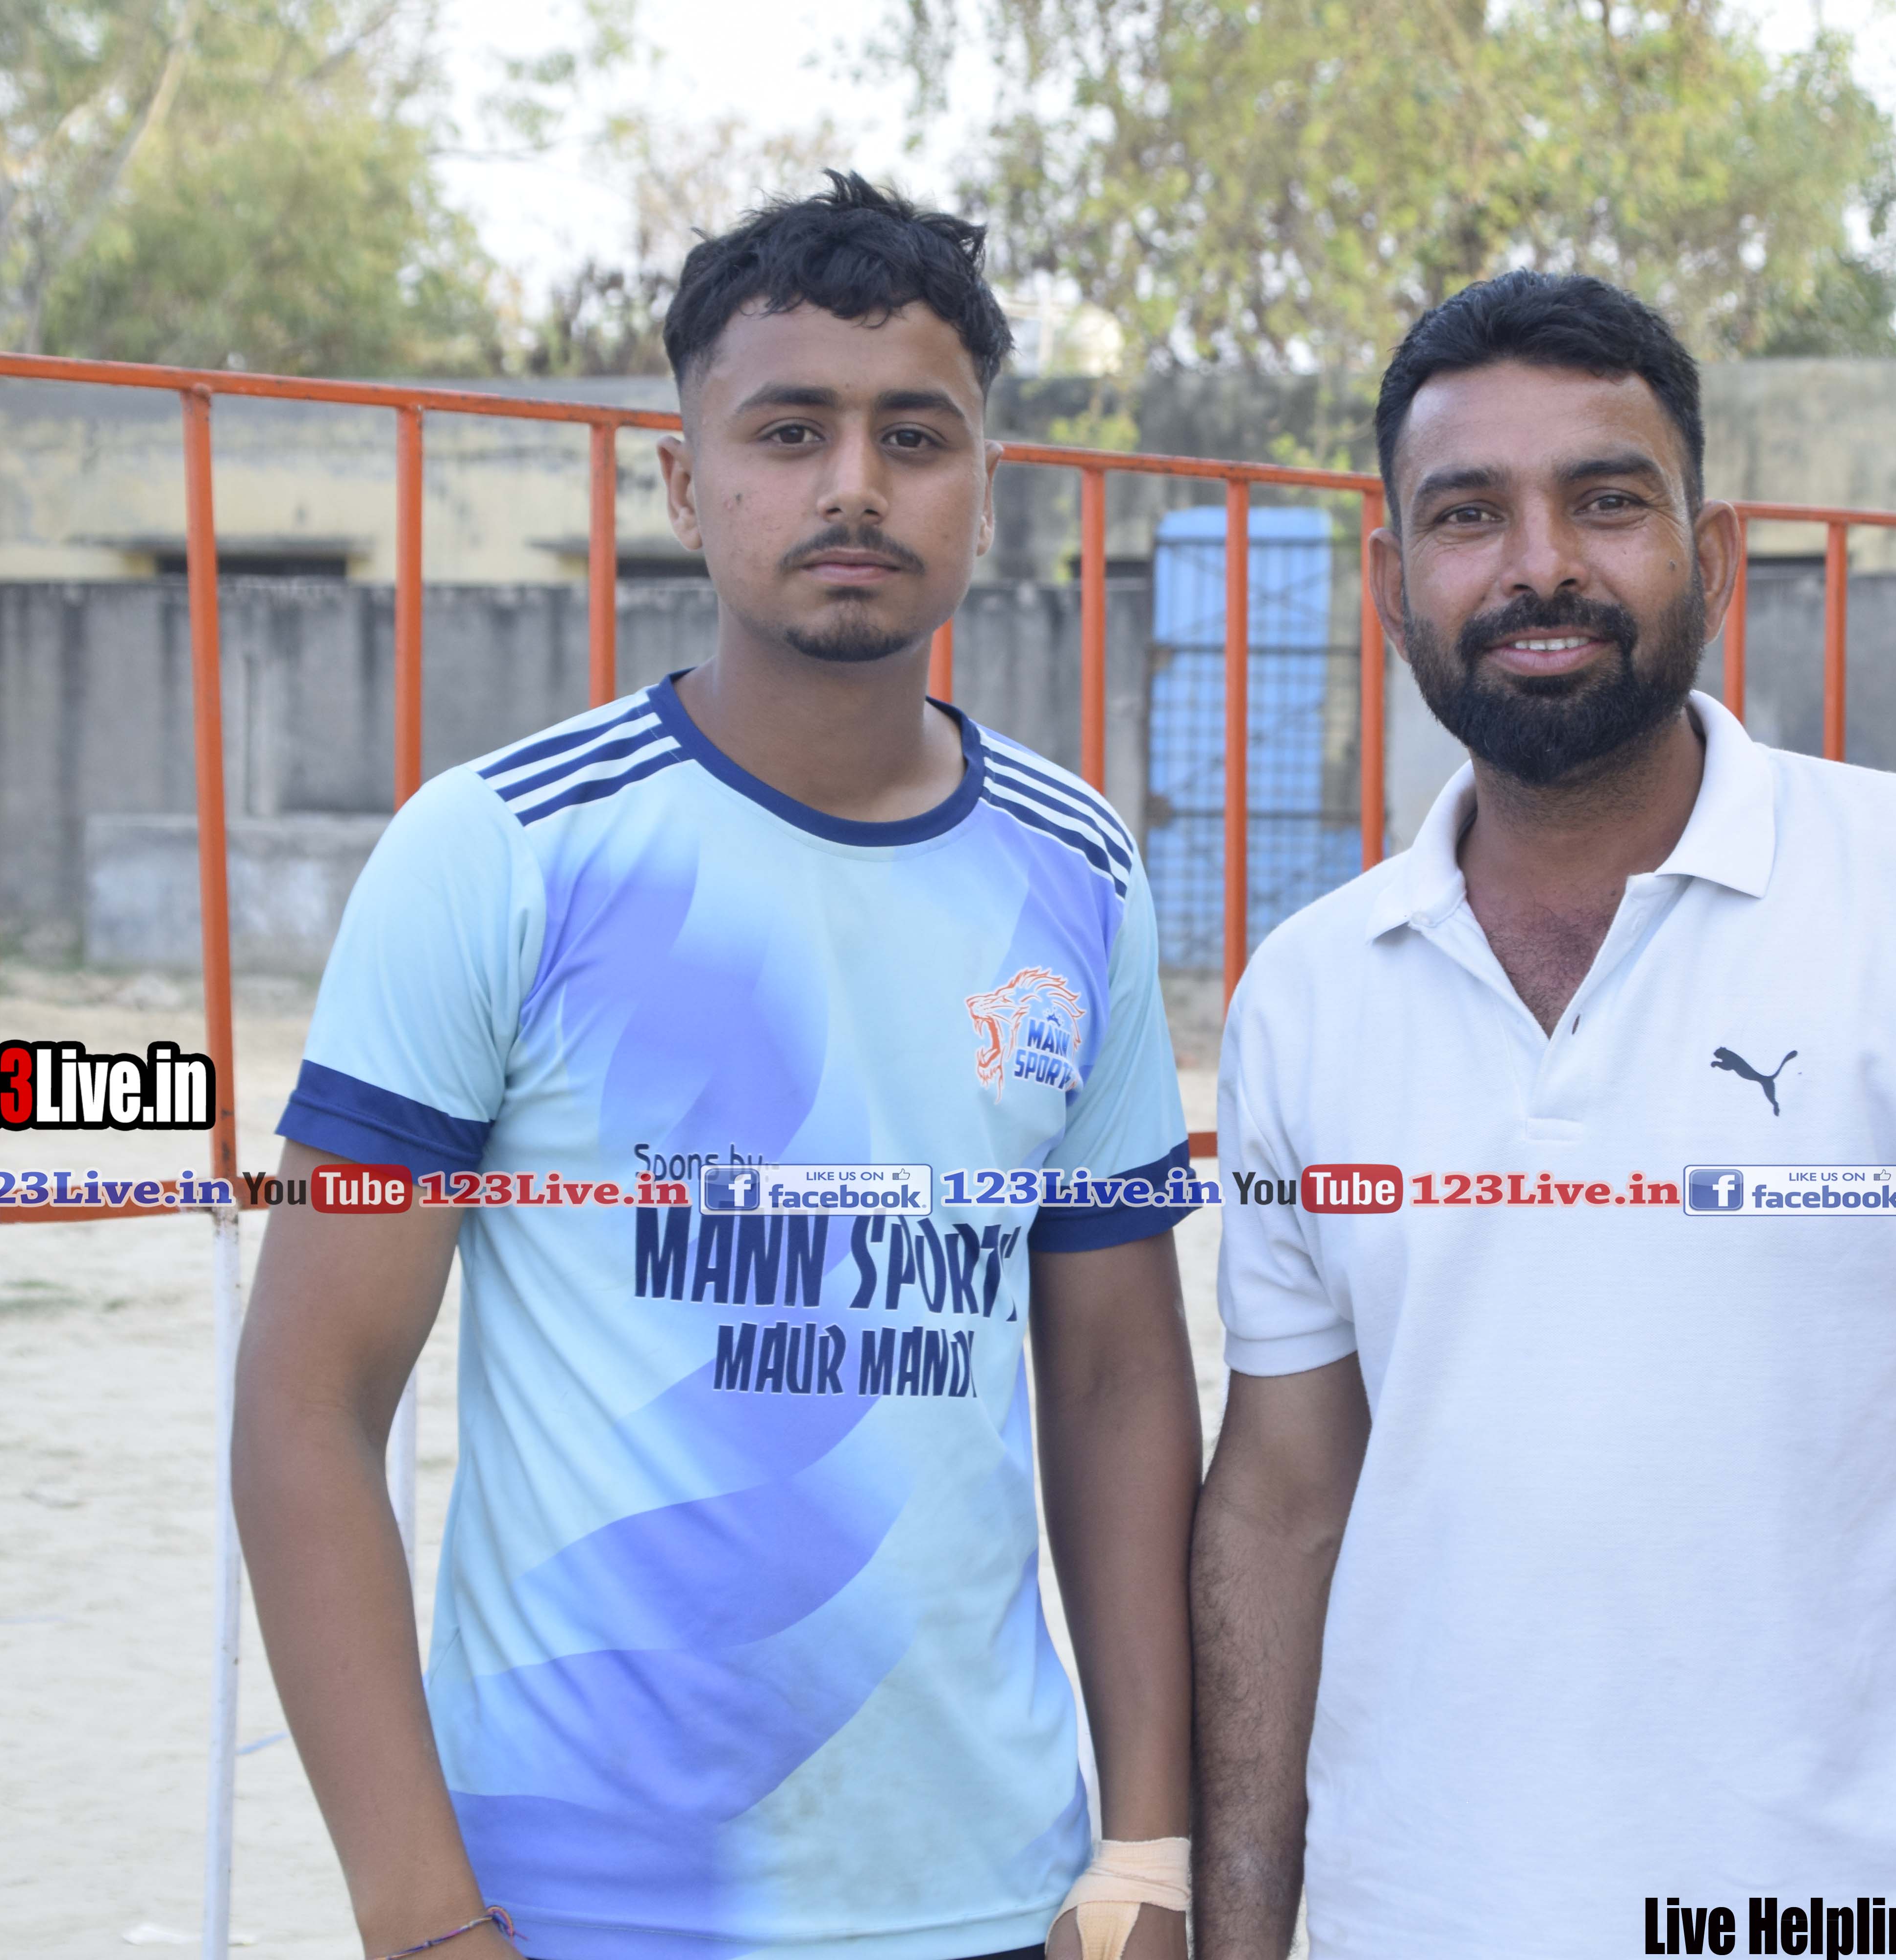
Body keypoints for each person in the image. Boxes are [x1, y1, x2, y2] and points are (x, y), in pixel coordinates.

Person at [234, 173, 1198, 1960]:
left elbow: (1119, 1381)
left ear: (988, 489)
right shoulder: (501, 852)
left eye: (916, 435)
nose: (855, 485)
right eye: (789, 431)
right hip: (578, 1905)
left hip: (995, 1895)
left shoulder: (1081, 871)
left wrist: (1148, 1848)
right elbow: (309, 1401)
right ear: (685, 485)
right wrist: (421, 1919)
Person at [1192, 270, 1896, 1954]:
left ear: (1712, 557)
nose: (1541, 566)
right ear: (1391, 582)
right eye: (1468, 514)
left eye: (1606, 500)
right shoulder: (1307, 991)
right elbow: (1283, 1506)